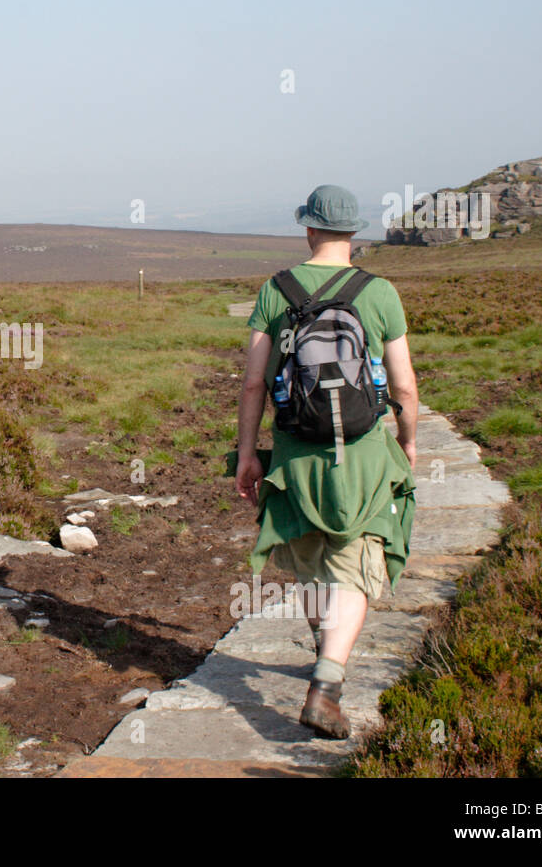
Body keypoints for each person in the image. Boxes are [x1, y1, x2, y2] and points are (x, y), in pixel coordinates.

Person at [234, 184, 419, 739]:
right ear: (352, 233)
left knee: (312, 558)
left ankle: (324, 648)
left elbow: (251, 385)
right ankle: (326, 687)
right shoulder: (380, 292)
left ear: (309, 229)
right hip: (362, 453)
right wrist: (406, 444)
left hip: (295, 455)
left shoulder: (276, 290)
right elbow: (405, 387)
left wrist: (248, 454)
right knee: (356, 561)